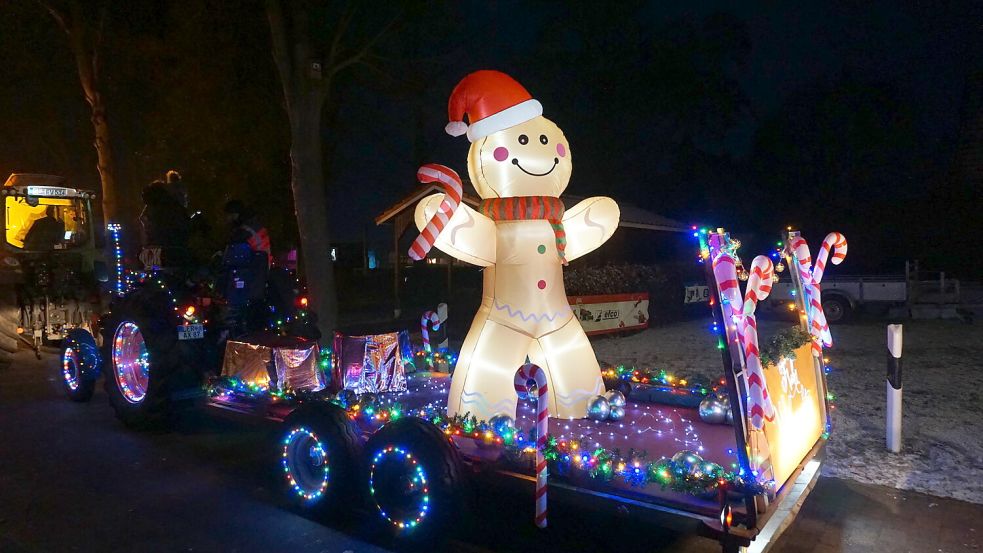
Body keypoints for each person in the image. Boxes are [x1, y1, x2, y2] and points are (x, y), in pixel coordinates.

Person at [224, 200, 272, 267]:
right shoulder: (253, 224)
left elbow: (233, 250)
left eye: (227, 214)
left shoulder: (244, 229)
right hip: (262, 266)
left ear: (234, 214)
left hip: (255, 268)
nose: (225, 218)